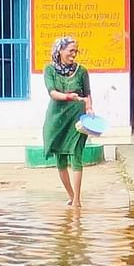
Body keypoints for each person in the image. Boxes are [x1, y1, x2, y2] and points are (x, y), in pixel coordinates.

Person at [43, 36, 93, 208]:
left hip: (77, 118)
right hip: (57, 118)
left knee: (77, 155)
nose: (74, 54)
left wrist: (90, 109)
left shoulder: (82, 71)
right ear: (60, 51)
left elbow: (87, 94)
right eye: (71, 50)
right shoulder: (49, 70)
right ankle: (71, 195)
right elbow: (52, 92)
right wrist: (67, 96)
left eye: (75, 51)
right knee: (61, 158)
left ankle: (77, 199)